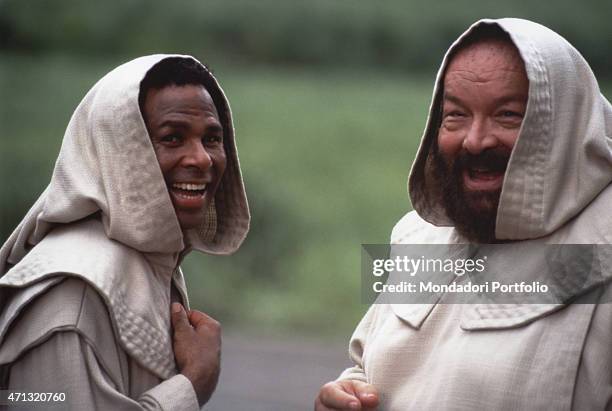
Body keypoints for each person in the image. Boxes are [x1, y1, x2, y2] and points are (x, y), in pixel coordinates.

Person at [315, 18, 612, 410]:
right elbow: (367, 368)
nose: (475, 140)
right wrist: (342, 395)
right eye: (456, 115)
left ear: (567, 125)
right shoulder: (415, 234)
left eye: (508, 114)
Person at [0, 55, 250, 410]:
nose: (202, 159)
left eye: (212, 138)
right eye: (173, 137)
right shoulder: (74, 294)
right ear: (119, 151)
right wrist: (193, 383)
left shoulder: (145, 260)